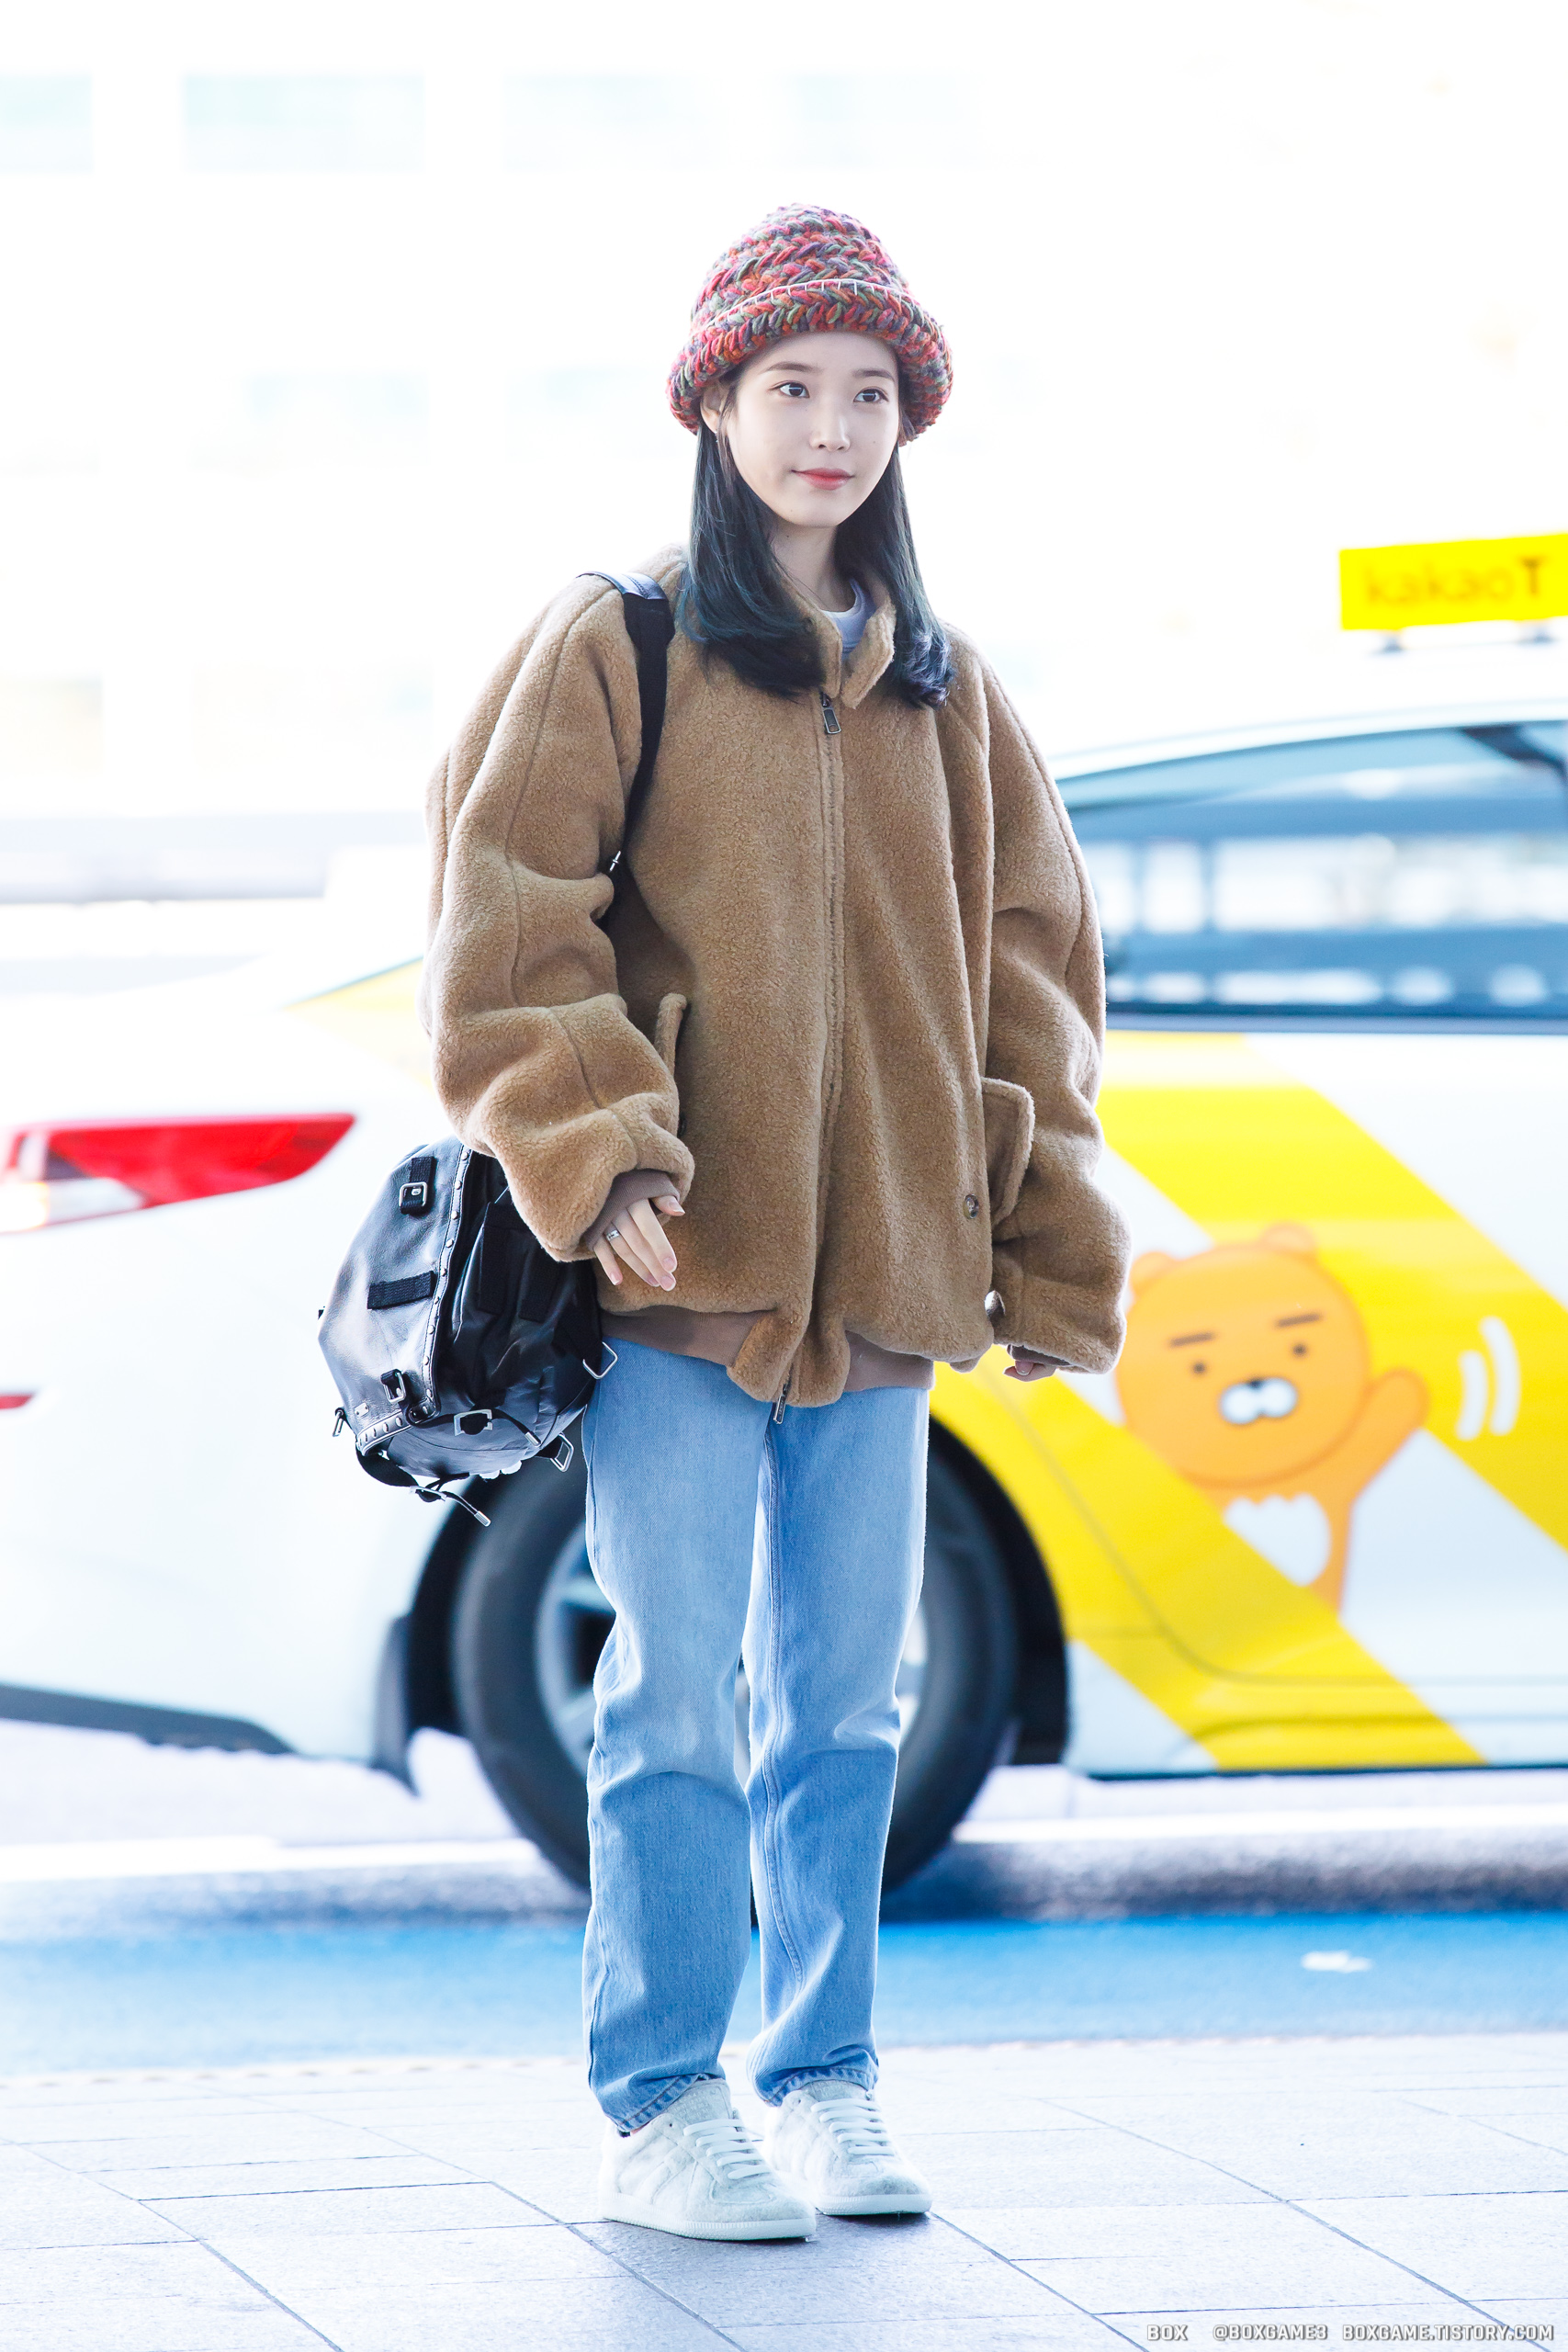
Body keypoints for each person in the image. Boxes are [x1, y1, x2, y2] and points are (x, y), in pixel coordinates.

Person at [421, 205, 1130, 2243]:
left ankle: (823, 2075)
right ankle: (661, 2101)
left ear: (910, 422)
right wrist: (602, 1147)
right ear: (713, 406)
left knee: (845, 1704)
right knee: (670, 1694)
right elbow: (503, 919)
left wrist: (1036, 1235)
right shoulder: (618, 638)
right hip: (679, 1274)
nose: (830, 427)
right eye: (790, 386)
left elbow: (1028, 979)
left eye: (868, 393)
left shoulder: (946, 686)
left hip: (885, 1271)